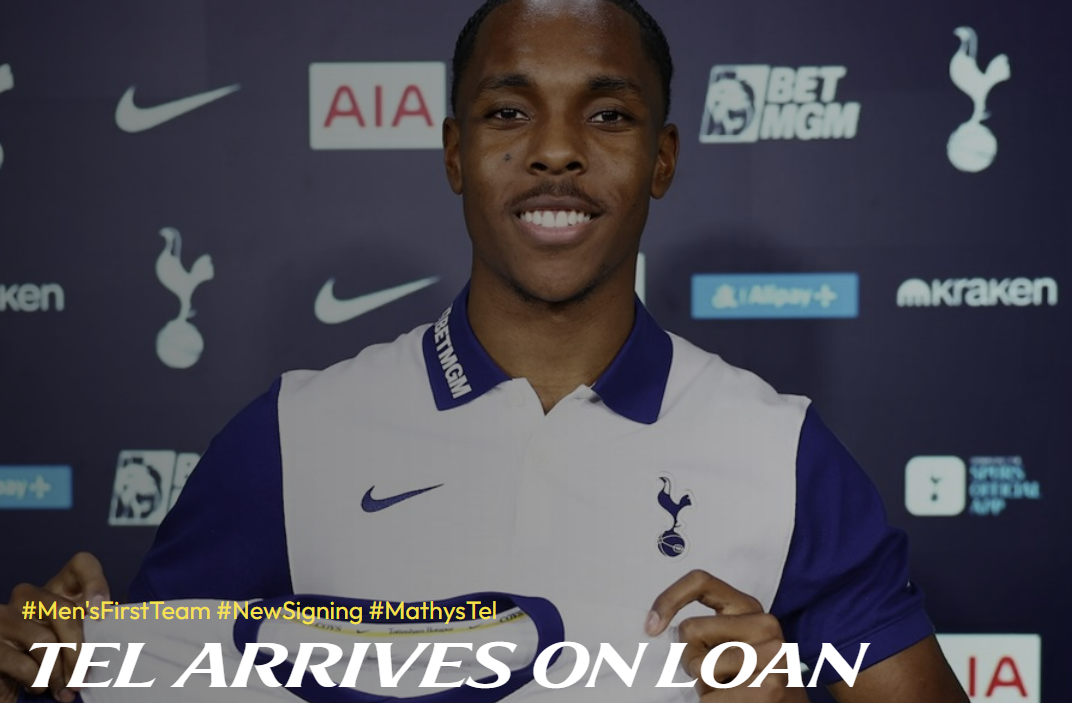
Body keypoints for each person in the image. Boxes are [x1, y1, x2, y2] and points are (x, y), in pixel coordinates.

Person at [0, 0, 969, 701]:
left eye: (607, 113)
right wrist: (64, 647)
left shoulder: (781, 451)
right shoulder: (293, 433)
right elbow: (148, 667)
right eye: (510, 112)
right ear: (454, 152)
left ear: (663, 158)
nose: (556, 149)